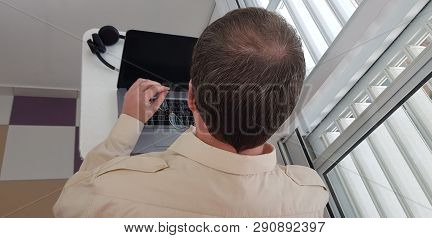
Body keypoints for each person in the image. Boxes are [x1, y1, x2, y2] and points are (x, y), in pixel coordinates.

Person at [54, 8, 328, 217]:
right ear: (288, 109)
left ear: (192, 96)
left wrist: (128, 124)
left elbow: (67, 205)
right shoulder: (311, 196)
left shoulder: (109, 192)